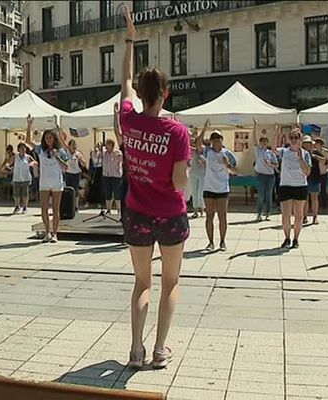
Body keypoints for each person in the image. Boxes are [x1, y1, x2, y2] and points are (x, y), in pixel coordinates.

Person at [119, 6, 191, 370]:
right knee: (171, 282)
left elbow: (125, 82)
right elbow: (180, 182)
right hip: (171, 215)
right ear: (165, 93)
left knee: (141, 283)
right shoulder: (177, 132)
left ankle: (135, 350)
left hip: (137, 213)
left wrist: (130, 39)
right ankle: (160, 349)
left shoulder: (128, 119)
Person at [26, 115, 69, 243]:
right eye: (46, 137)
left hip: (56, 182)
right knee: (44, 208)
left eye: (50, 137)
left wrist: (57, 157)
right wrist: (29, 125)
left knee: (56, 209)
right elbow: (28, 141)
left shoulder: (60, 151)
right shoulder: (40, 149)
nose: (48, 139)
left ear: (54, 138)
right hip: (44, 182)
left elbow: (66, 167)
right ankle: (47, 232)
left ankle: (55, 233)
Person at [196, 125, 237, 252]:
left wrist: (227, 164)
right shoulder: (208, 151)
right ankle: (211, 242)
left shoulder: (227, 153)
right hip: (209, 188)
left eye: (218, 137)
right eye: (213, 137)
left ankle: (222, 242)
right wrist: (204, 128)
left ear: (222, 139)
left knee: (222, 217)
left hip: (222, 189)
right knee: (209, 216)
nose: (216, 140)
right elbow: (198, 143)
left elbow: (235, 170)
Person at [273, 128, 311, 249]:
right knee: (286, 215)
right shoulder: (284, 151)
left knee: (299, 215)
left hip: (300, 186)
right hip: (285, 185)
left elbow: (307, 172)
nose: (294, 140)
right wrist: (276, 135)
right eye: (292, 137)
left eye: (296, 137)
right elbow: (274, 150)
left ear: (300, 139)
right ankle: (287, 238)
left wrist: (300, 158)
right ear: (289, 139)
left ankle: (296, 238)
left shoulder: (305, 154)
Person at [252, 118, 278, 221]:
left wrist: (270, 164)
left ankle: (267, 212)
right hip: (260, 175)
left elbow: (276, 165)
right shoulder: (258, 150)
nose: (263, 143)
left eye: (265, 142)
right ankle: (259, 213)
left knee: (268, 195)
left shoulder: (270, 153)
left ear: (267, 143)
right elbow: (253, 139)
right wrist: (255, 126)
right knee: (261, 195)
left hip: (270, 176)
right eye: (261, 142)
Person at [5, 142, 37, 214]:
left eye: (24, 148)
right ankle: (17, 206)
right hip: (17, 177)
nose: (23, 149)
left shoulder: (28, 157)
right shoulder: (15, 157)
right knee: (16, 193)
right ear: (18, 149)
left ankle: (25, 207)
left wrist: (32, 164)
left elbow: (35, 162)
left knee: (25, 193)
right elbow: (9, 163)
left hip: (25, 177)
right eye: (21, 148)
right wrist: (7, 166)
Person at [302, 136, 323, 225]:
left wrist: (315, 156)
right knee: (304, 199)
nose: (307, 145)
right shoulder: (300, 153)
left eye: (309, 143)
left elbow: (325, 160)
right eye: (305, 143)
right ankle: (304, 216)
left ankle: (315, 217)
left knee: (314, 198)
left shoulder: (315, 153)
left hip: (315, 177)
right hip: (304, 178)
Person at [102, 138, 123, 215]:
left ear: (111, 145)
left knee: (117, 193)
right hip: (106, 175)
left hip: (116, 175)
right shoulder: (104, 153)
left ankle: (119, 209)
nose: (106, 146)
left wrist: (119, 161)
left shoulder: (117, 152)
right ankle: (108, 209)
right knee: (108, 192)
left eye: (107, 144)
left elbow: (121, 162)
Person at [63, 139, 86, 210]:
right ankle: (69, 204)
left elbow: (84, 164)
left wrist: (80, 159)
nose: (73, 146)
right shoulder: (66, 152)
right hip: (68, 172)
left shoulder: (78, 153)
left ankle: (76, 205)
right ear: (69, 146)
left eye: (74, 145)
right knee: (68, 188)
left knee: (75, 189)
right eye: (72, 144)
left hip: (76, 173)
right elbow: (62, 141)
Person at [189, 133, 206, 219]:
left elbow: (209, 164)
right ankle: (195, 210)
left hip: (203, 174)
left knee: (201, 193)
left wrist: (204, 162)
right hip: (193, 174)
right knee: (194, 192)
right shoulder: (192, 151)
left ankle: (202, 209)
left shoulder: (206, 151)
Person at [87, 142, 103, 207]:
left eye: (99, 146)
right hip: (94, 170)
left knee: (99, 186)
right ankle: (90, 201)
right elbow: (91, 162)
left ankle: (99, 201)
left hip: (100, 170)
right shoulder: (92, 152)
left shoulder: (101, 153)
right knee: (92, 185)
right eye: (97, 145)